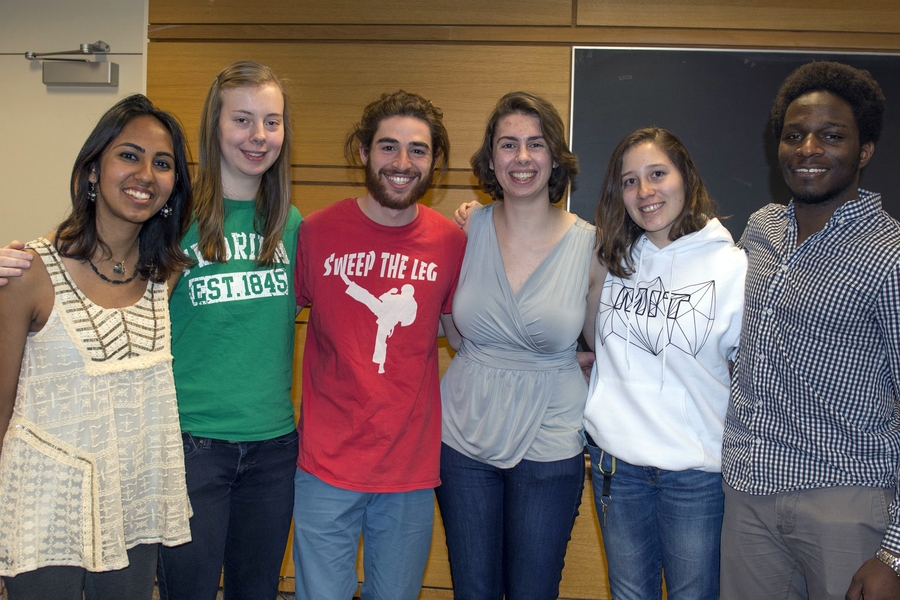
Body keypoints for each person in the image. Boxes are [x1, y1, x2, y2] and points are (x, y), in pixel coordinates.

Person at [0, 94, 193, 600]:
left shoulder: (165, 277)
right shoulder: (28, 273)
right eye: (129, 155)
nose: (146, 174)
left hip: (132, 507)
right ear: (92, 171)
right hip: (44, 514)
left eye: (163, 163)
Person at [720, 61, 900, 600]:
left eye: (832, 136)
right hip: (748, 494)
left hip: (846, 503)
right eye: (795, 135)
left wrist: (895, 550)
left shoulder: (890, 257)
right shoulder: (762, 229)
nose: (808, 149)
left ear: (864, 150)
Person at [292, 90, 467, 599]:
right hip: (326, 463)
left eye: (418, 150)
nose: (402, 162)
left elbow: (464, 331)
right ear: (364, 153)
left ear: (433, 162)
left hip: (409, 470)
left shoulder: (451, 243)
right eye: (388, 147)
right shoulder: (317, 232)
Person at [436, 91, 606, 599]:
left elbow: (605, 348)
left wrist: (567, 360)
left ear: (555, 156)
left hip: (551, 435)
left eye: (536, 144)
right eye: (508, 144)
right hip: (463, 435)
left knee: (533, 590)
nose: (523, 158)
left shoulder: (592, 245)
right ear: (491, 158)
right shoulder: (465, 231)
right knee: (473, 590)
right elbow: (455, 332)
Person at [154, 61, 301, 600]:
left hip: (274, 448)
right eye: (242, 120)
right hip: (193, 443)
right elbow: (98, 251)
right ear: (214, 126)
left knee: (256, 591)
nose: (258, 136)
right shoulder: (173, 215)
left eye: (271, 121)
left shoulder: (293, 224)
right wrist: (34, 254)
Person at [583, 127, 746, 600]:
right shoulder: (612, 260)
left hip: (695, 477)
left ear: (687, 178)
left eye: (658, 174)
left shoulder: (733, 267)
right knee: (629, 594)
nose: (645, 191)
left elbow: (747, 378)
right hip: (618, 468)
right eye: (630, 181)